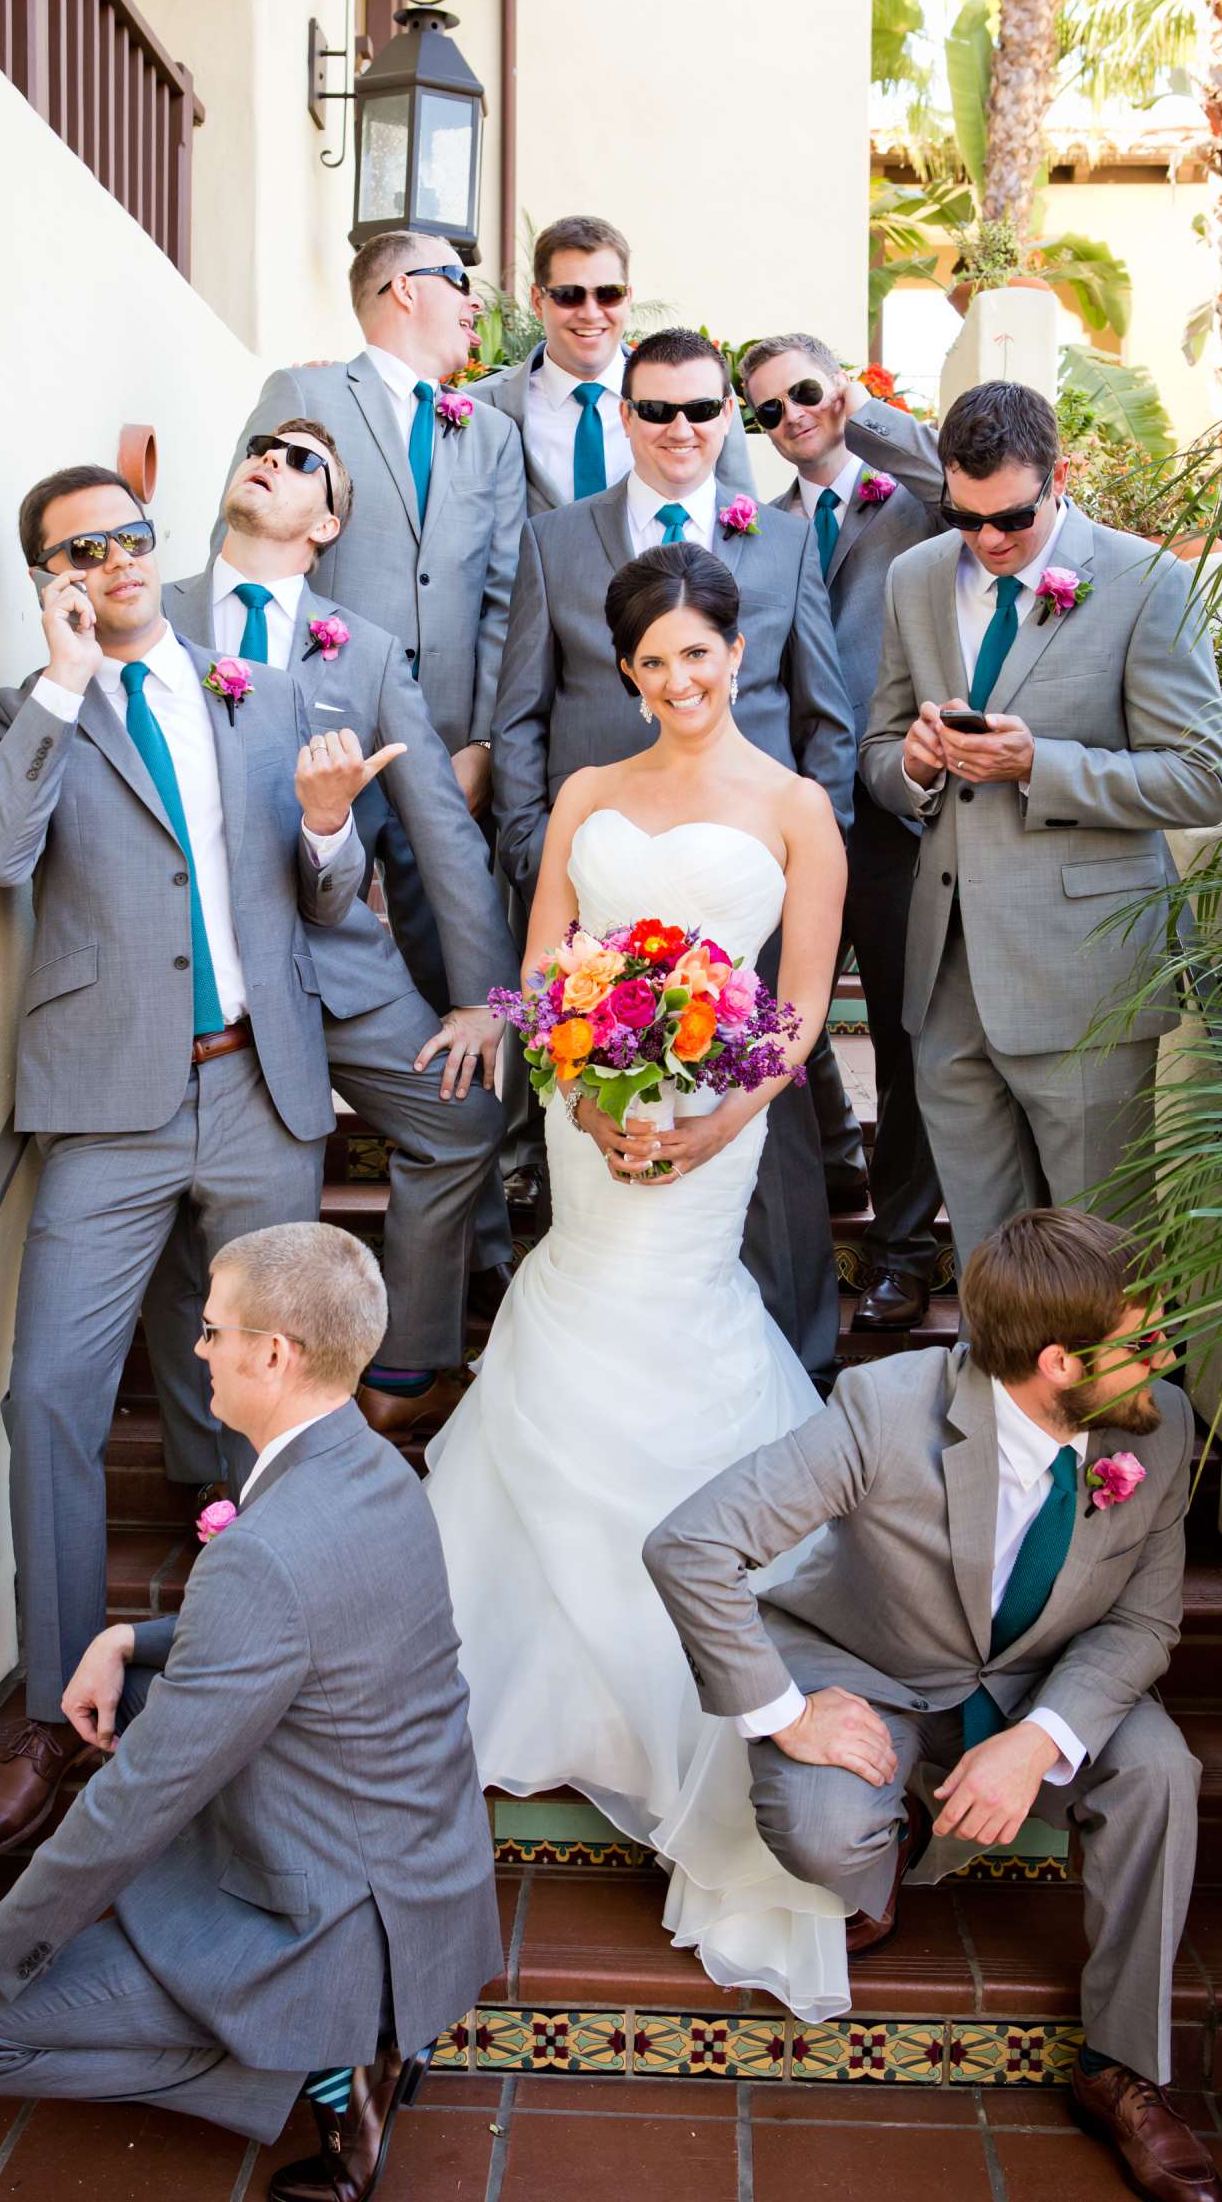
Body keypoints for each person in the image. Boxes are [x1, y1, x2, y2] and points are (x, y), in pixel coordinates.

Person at [427, 543, 852, 2011]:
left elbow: (799, 1005)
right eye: (653, 662)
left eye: (701, 655)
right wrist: (590, 1094)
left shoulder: (797, 810)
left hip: (718, 1119)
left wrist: (725, 1108)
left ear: (740, 654)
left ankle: (696, 1664)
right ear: (625, 672)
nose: (680, 681)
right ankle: (535, 1670)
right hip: (592, 1107)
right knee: (572, 1299)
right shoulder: (590, 802)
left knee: (676, 1318)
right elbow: (548, 966)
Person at [0, 465, 377, 1856]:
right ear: (52, 578)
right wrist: (66, 680)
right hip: (107, 1105)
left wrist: (326, 828)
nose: (117, 560)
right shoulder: (32, 714)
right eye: (81, 550)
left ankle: (273, 1663)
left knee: (286, 1391)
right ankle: (53, 1705)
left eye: (130, 535)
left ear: (158, 541)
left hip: (260, 1083)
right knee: (54, 1399)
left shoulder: (253, 686)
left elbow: (328, 893)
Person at [645, 1207, 1221, 2202]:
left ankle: (1121, 2066)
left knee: (1162, 1769)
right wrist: (786, 1712)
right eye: (1144, 1339)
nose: (1166, 1354)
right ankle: (897, 1847)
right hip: (876, 1666)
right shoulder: (883, 1409)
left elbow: (1141, 1629)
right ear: (1059, 1363)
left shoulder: (1159, 1427)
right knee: (822, 1831)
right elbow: (690, 1546)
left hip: (1050, 1676)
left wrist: (1037, 1742)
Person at [0, 1222, 502, 2202]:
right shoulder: (375, 1469)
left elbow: (138, 1797)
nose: (196, 1350)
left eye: (209, 1329)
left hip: (328, 1922)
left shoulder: (263, 1551)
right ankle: (339, 2042)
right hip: (418, 1876)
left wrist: (4, 1936)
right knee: (164, 1700)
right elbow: (306, 1627)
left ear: (272, 1353)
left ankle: (305, 2063)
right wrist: (125, 1640)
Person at [492, 327, 857, 1379]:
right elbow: (518, 705)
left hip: (750, 895)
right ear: (625, 415)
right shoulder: (556, 540)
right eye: (657, 410)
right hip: (599, 891)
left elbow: (825, 712)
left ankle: (794, 1369)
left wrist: (798, 855)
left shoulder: (781, 540)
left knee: (777, 1172)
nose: (682, 429)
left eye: (703, 409)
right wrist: (544, 848)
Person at [154, 418, 518, 1440]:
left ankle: (402, 1371)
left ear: (327, 522)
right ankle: (209, 1455)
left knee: (461, 1119)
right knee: (200, 1206)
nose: (269, 457)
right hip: (198, 971)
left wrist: (479, 1002)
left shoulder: (361, 649)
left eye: (302, 460)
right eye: (261, 444)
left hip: (332, 965)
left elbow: (441, 834)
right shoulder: (157, 615)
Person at [859, 380, 1222, 1268]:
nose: (988, 539)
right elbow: (878, 746)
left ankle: (1112, 1410)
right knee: (991, 1258)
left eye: (1013, 519)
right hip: (946, 979)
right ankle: (999, 1406)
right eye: (965, 515)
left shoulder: (1147, 581)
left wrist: (1041, 765)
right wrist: (910, 764)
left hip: (1085, 981)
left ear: (1060, 478)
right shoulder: (914, 577)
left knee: (1102, 1256)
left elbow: (1202, 779)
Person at [217, 229, 526, 1028]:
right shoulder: (307, 396)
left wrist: (484, 742)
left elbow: (503, 594)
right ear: (404, 290)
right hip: (317, 741)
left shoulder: (489, 433)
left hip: (447, 748)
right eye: (460, 281)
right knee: (300, 944)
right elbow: (248, 554)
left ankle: (458, 1129)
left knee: (454, 954)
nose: (474, 303)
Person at [741, 335, 947, 1329]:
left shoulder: (913, 493)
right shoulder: (766, 525)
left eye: (804, 395)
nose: (791, 419)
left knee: (912, 1035)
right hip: (796, 808)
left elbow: (950, 470)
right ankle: (831, 1161)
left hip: (902, 810)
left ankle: (902, 1248)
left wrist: (851, 409)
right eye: (767, 410)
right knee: (786, 1009)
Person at [474, 211, 750, 511]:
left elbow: (740, 519)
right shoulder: (482, 406)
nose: (591, 313)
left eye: (608, 294)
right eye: (569, 295)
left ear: (628, 298)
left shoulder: (706, 400)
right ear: (539, 302)